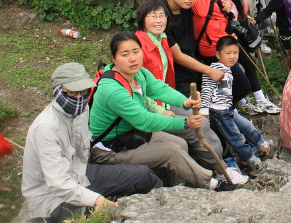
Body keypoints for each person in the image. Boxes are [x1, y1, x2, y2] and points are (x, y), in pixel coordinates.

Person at [22, 63, 161, 223]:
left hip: (81, 174)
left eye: (84, 92)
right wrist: (96, 200)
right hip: (52, 198)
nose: (79, 98)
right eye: (73, 92)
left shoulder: (82, 110)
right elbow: (58, 183)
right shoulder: (46, 128)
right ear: (58, 91)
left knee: (144, 175)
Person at [135, 0, 248, 185]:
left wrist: (182, 101)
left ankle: (219, 169)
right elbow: (139, 88)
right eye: (152, 16)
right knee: (195, 128)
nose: (158, 20)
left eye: (162, 16)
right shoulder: (139, 46)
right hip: (148, 108)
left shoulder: (161, 39)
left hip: (163, 100)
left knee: (200, 124)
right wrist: (159, 109)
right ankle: (220, 171)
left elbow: (160, 84)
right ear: (142, 19)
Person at [89, 32, 218, 190]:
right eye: (125, 54)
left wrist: (185, 102)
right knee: (171, 151)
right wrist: (184, 123)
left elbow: (159, 89)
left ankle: (177, 188)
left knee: (180, 143)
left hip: (130, 135)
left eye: (136, 51)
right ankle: (209, 183)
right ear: (113, 59)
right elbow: (144, 120)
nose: (132, 58)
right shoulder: (112, 90)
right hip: (109, 149)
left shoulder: (139, 73)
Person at [201, 36, 275, 173]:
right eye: (228, 53)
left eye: (235, 53)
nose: (232, 57)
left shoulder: (228, 69)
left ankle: (261, 144)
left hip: (229, 108)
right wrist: (204, 110)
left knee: (247, 125)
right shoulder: (214, 71)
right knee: (236, 137)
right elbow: (206, 91)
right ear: (218, 54)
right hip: (219, 113)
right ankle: (251, 159)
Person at [218, 0, 281, 114]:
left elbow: (241, 12)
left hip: (240, 34)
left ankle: (248, 101)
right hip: (230, 39)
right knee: (248, 66)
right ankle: (258, 101)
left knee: (247, 67)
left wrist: (247, 18)